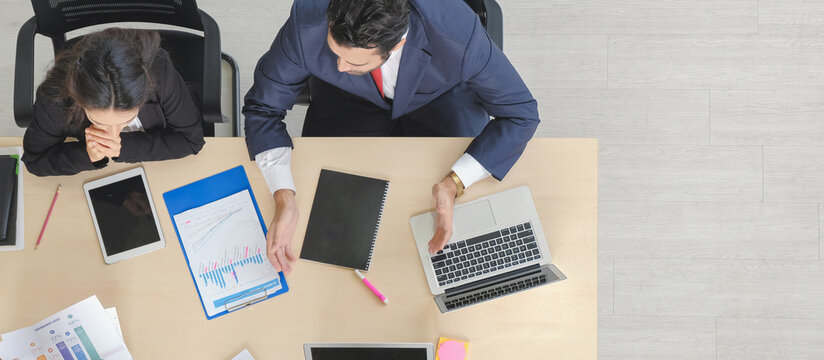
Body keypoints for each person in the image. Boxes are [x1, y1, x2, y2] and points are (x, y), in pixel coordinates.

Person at [244, 0, 540, 274]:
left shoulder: (457, 33)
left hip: (439, 97)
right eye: (336, 52)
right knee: (331, 215)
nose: (340, 66)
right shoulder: (308, 19)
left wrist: (455, 182)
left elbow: (521, 114)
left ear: (398, 44)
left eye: (354, 63)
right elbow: (262, 107)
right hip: (346, 96)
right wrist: (283, 196)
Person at [22, 28, 205, 176]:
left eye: (125, 121)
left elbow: (191, 140)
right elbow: (35, 160)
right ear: (79, 100)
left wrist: (121, 148)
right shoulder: (55, 96)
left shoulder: (159, 70)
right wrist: (87, 155)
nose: (113, 134)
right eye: (98, 122)